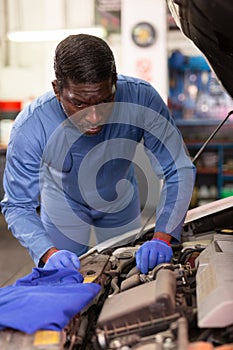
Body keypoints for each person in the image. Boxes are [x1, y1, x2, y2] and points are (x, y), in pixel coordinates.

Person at [1, 34, 196, 274]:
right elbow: (18, 205)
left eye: (105, 101)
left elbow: (178, 168)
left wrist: (164, 236)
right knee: (63, 279)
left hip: (120, 197)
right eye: (80, 104)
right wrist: (47, 253)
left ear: (115, 84)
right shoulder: (32, 126)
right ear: (57, 90)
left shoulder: (141, 99)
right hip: (63, 203)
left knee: (126, 273)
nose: (94, 118)